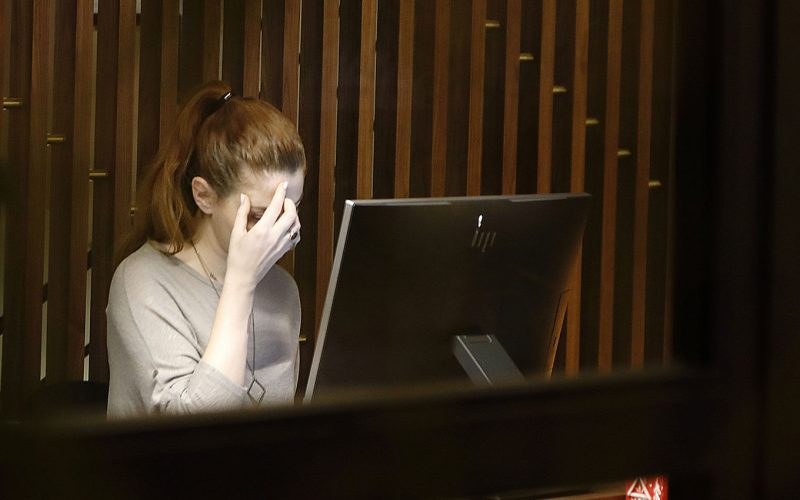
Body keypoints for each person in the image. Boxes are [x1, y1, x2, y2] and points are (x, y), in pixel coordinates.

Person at [106, 81, 305, 418]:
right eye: (259, 215)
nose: (280, 229)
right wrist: (241, 284)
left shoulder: (283, 290)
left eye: (291, 209)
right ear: (204, 196)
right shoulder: (141, 281)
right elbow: (193, 434)